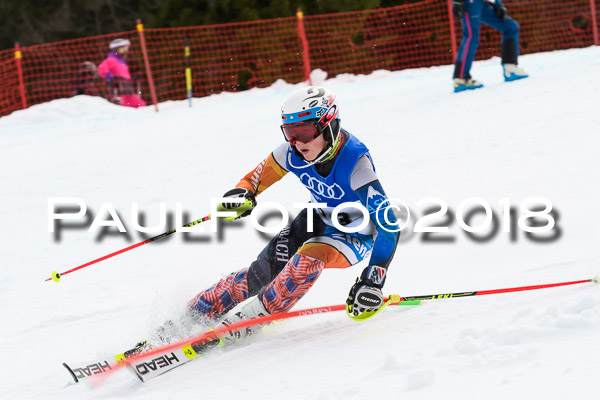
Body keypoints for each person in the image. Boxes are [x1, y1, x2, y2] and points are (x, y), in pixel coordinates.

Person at [184, 86, 401, 345]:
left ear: (328, 124)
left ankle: (250, 320)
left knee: (309, 257)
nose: (297, 142)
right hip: (316, 218)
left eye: (305, 132)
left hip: (355, 233)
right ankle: (191, 316)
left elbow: (389, 225)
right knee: (260, 272)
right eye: (290, 133)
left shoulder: (356, 163)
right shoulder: (290, 153)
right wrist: (241, 195)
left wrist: (373, 281)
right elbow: (251, 181)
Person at [452, 0, 529, 92]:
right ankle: (461, 78)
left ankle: (510, 68)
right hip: (471, 4)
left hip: (484, 4)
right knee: (471, 36)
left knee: (510, 27)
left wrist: (498, 5)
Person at [97, 38, 146, 108]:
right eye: (124, 48)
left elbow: (124, 77)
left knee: (140, 105)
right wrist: (111, 77)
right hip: (118, 91)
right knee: (122, 108)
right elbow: (101, 69)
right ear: (117, 49)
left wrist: (133, 80)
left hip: (128, 91)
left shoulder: (122, 62)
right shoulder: (111, 60)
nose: (126, 50)